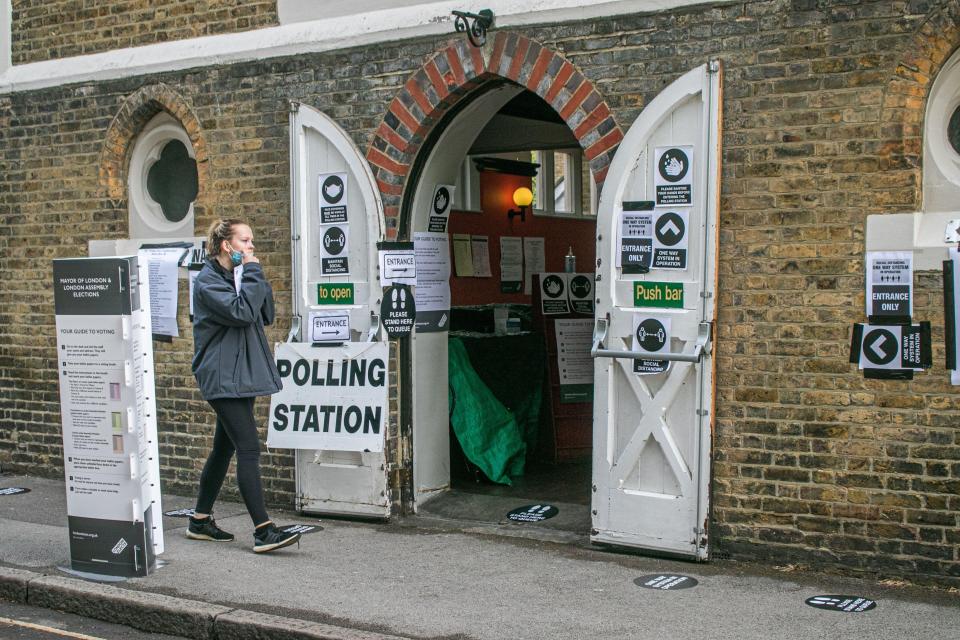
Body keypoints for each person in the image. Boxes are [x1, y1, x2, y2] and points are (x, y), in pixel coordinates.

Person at [186, 218, 300, 553]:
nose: (252, 247)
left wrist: (253, 273)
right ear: (227, 245)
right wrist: (250, 273)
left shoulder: (237, 275)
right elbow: (241, 311)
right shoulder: (208, 282)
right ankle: (263, 531)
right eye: (246, 241)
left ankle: (200, 520)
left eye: (252, 242)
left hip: (240, 375)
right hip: (222, 377)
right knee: (248, 448)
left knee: (224, 447)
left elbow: (264, 313)